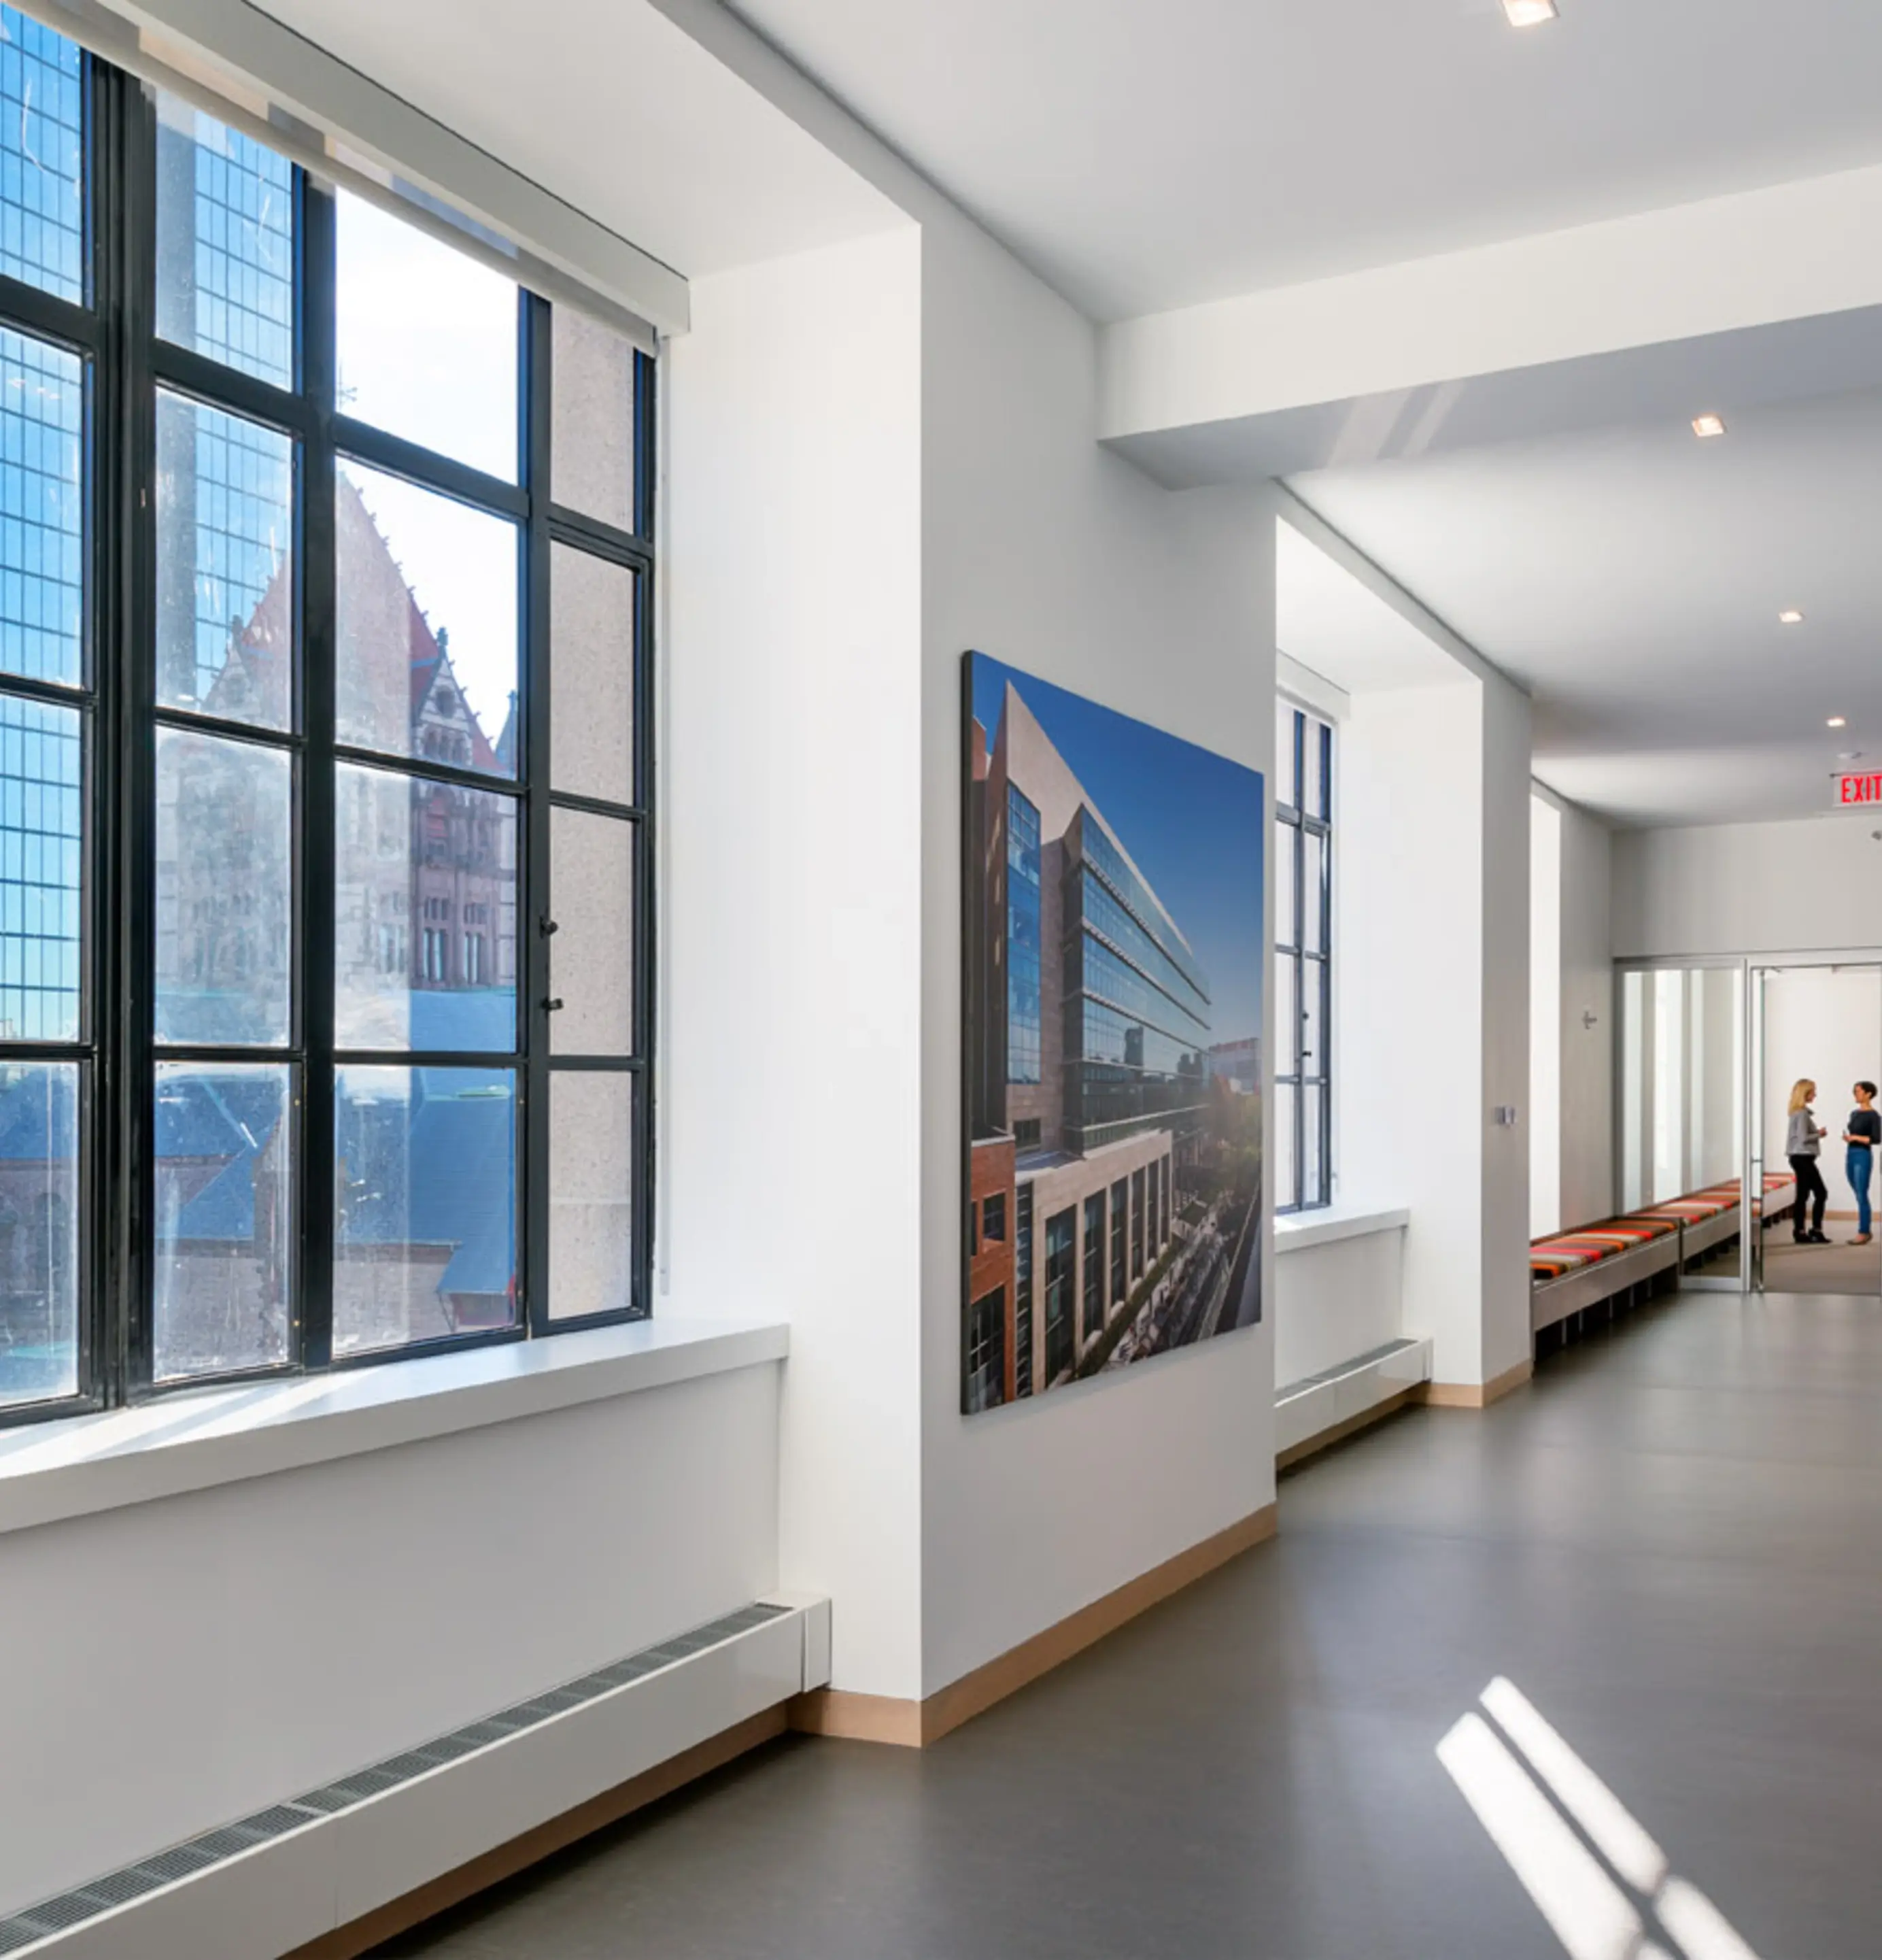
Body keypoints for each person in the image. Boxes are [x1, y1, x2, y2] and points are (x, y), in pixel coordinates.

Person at [1787, 1079, 1829, 1245]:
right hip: (1802, 1157)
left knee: (1803, 1196)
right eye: (1813, 1092)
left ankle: (1801, 1231)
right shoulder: (1802, 1114)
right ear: (1805, 1093)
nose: (1815, 1095)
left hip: (1799, 1157)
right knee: (1821, 1193)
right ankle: (1813, 1230)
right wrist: (1820, 1134)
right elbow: (1804, 1139)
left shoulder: (1796, 1112)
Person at [1845, 1081, 1881, 1246]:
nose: (1855, 1094)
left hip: (1863, 1155)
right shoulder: (1854, 1114)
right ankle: (1865, 1229)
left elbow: (1876, 1139)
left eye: (1858, 1091)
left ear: (1868, 1094)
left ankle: (1864, 1231)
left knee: (1861, 1193)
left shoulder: (1874, 1116)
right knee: (1857, 1191)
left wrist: (1856, 1138)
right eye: (1854, 1091)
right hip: (1851, 1154)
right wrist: (1849, 1138)